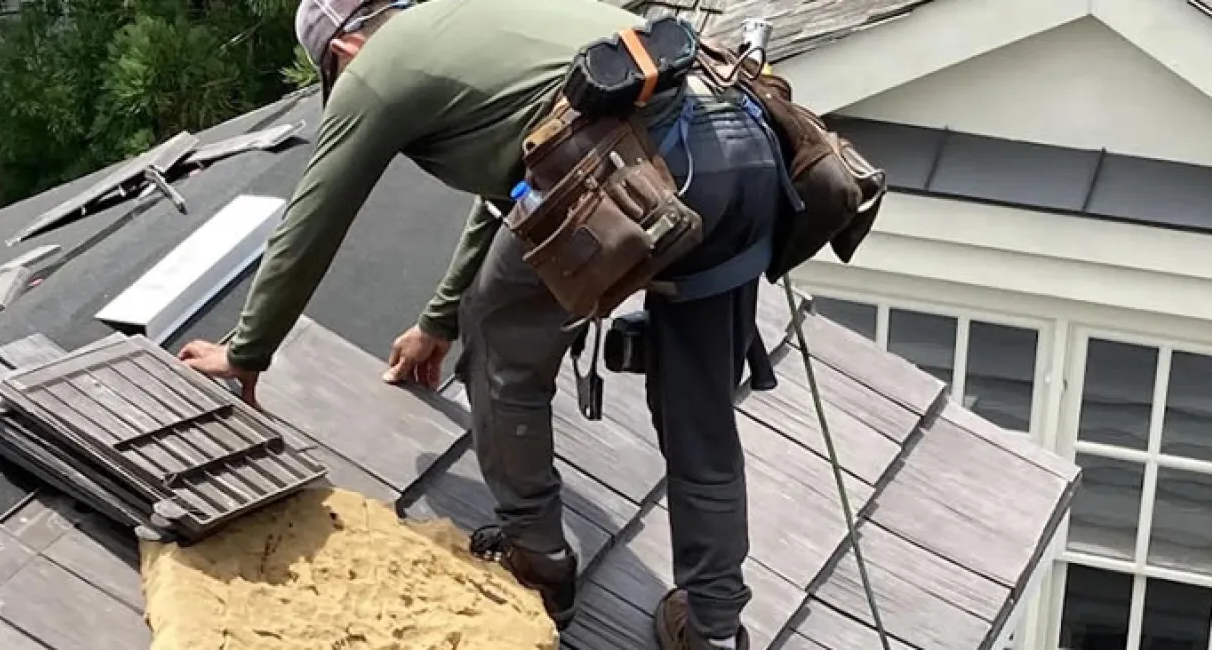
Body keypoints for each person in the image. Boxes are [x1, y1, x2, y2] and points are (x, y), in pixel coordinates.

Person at [175, 1, 780, 648]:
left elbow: (313, 220)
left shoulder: (377, 68)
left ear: (344, 50)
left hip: (632, 167)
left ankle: (539, 563)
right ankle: (713, 626)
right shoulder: (470, 20)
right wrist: (437, 320)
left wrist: (246, 353)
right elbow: (517, 191)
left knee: (498, 349)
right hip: (745, 149)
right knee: (701, 412)